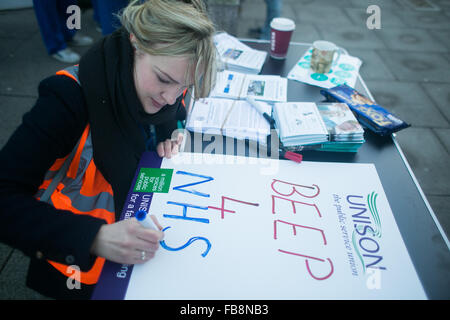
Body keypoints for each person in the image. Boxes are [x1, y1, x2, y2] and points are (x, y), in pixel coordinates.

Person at [0, 0, 217, 300]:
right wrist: (94, 237)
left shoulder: (165, 79)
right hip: (73, 266)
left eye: (185, 86)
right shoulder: (66, 98)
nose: (170, 98)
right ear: (136, 42)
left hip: (137, 245)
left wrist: (174, 132)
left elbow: (174, 109)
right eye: (164, 80)